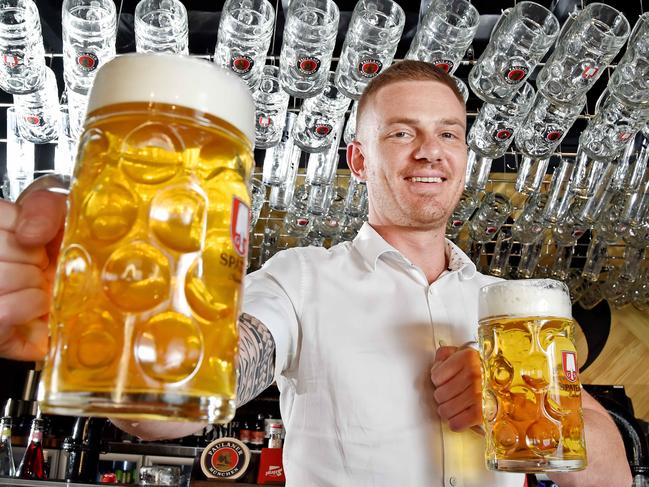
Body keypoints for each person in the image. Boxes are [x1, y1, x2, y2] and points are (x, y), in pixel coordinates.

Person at [0, 60, 631, 487]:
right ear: (358, 159)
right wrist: (108, 317)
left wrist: (522, 399)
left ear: (464, 157)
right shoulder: (301, 278)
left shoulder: (508, 307)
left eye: (449, 133)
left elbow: (607, 477)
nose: (430, 150)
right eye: (401, 133)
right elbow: (175, 406)